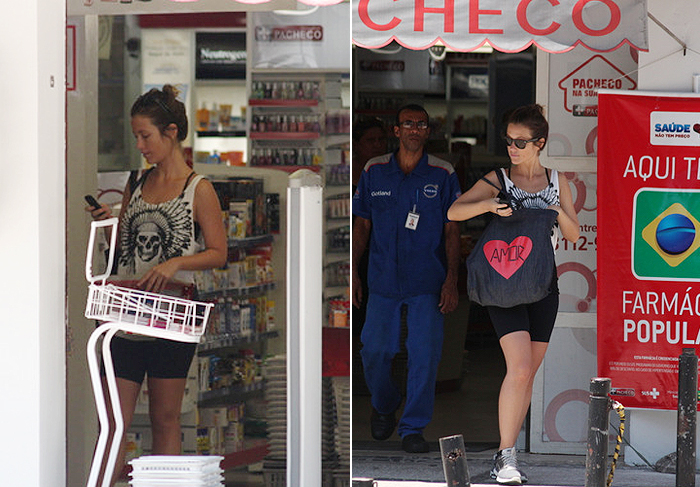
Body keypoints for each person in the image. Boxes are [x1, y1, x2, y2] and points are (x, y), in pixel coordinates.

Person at [86, 85, 227, 486]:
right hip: (125, 317)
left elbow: (218, 252)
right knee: (113, 423)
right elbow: (125, 252)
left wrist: (177, 262)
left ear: (170, 133)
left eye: (145, 136)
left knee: (166, 419)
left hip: (173, 319)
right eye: (136, 136)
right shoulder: (137, 181)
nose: (140, 145)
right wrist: (106, 225)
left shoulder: (199, 189)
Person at [447, 104, 579, 485]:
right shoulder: (498, 178)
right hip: (502, 284)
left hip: (542, 285)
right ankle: (506, 457)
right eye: (509, 140)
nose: (512, 148)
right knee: (520, 369)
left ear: (539, 144)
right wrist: (489, 204)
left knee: (526, 374)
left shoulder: (558, 181)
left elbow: (573, 234)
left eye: (520, 142)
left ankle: (505, 455)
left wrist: (556, 209)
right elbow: (455, 211)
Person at [352, 104, 461, 453]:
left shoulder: (442, 173)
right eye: (408, 124)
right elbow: (362, 226)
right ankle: (385, 404)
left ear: (428, 131)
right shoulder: (374, 170)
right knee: (374, 351)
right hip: (382, 280)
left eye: (421, 124)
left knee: (424, 355)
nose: (415, 129)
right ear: (395, 131)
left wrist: (451, 280)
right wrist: (352, 271)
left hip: (427, 280)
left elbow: (452, 232)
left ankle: (412, 427)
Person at [351, 117, 388, 336]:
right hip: (357, 255)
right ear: (356, 144)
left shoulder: (388, 174)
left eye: (381, 140)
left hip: (380, 256)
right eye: (370, 140)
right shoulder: (348, 176)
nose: (377, 145)